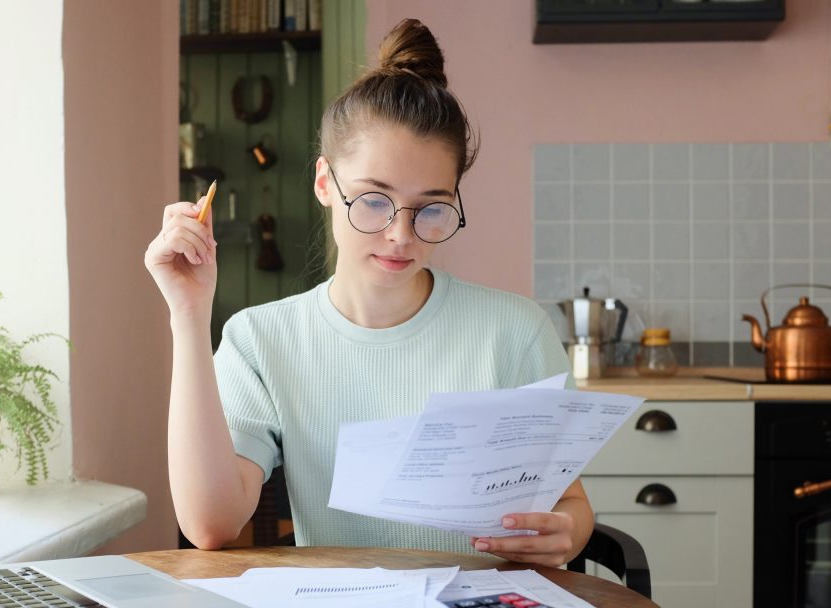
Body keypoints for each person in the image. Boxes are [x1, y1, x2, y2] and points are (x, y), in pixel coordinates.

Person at [144, 18, 593, 567]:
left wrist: (566, 531)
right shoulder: (262, 339)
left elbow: (570, 503)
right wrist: (188, 313)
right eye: (375, 201)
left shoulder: (516, 332)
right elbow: (210, 524)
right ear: (325, 184)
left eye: (431, 207)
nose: (401, 235)